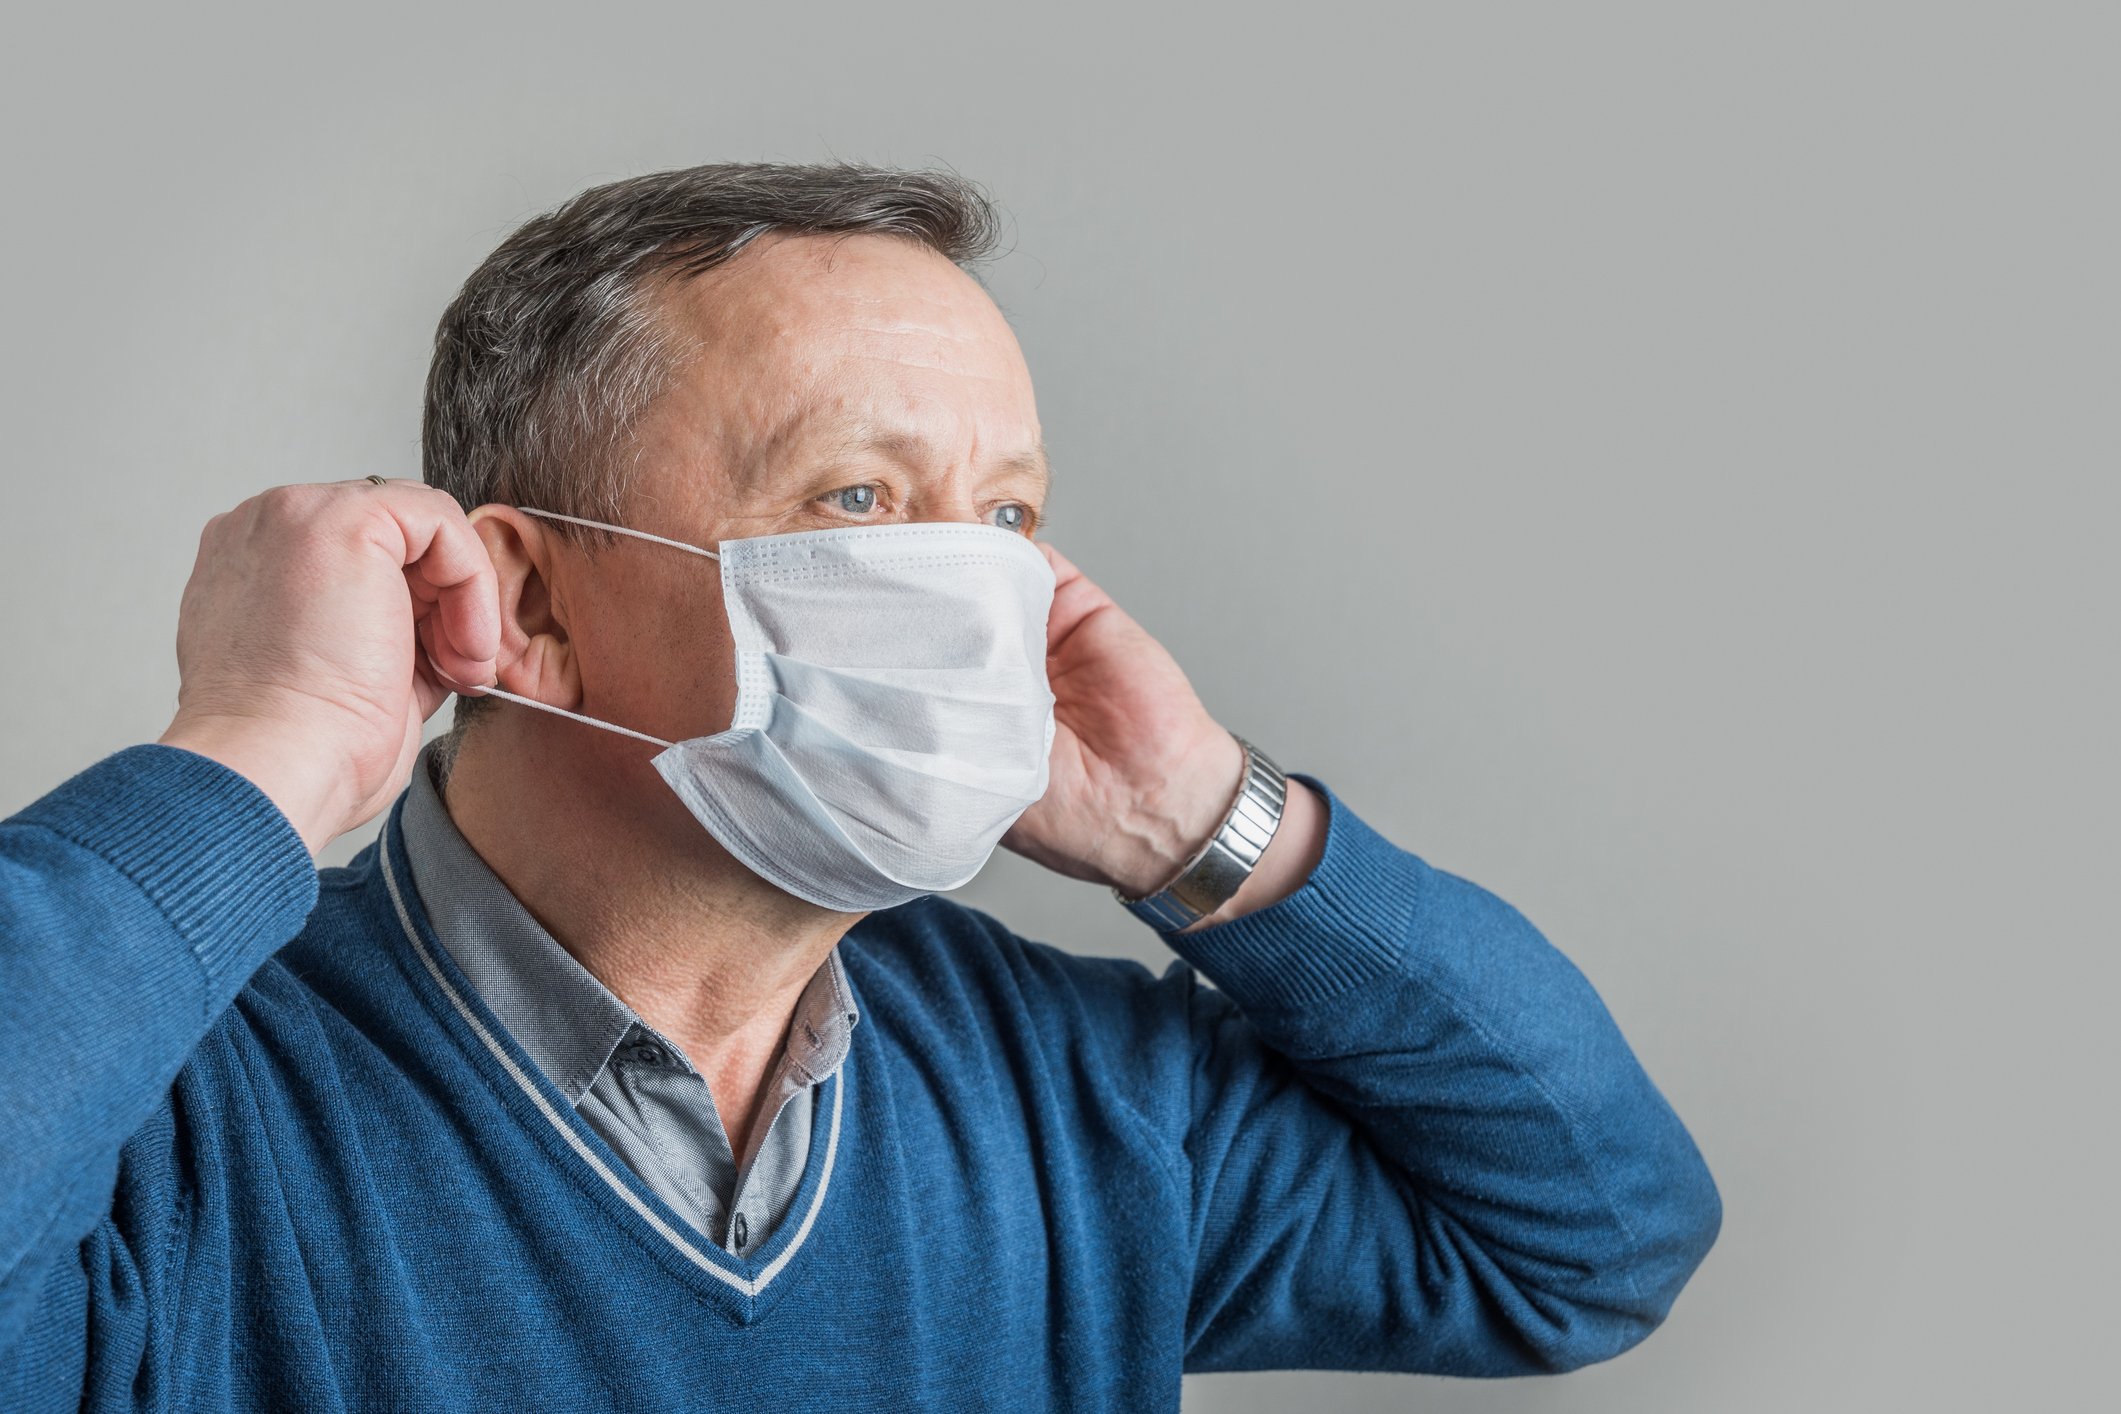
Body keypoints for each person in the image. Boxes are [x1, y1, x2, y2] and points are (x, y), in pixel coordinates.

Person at [0, 162, 1720, 1412]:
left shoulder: (1072, 1094)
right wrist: (259, 751)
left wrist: (1211, 832)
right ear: (531, 605)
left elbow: (1587, 1238)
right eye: (856, 499)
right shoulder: (177, 1110)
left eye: (1007, 517)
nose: (980, 592)